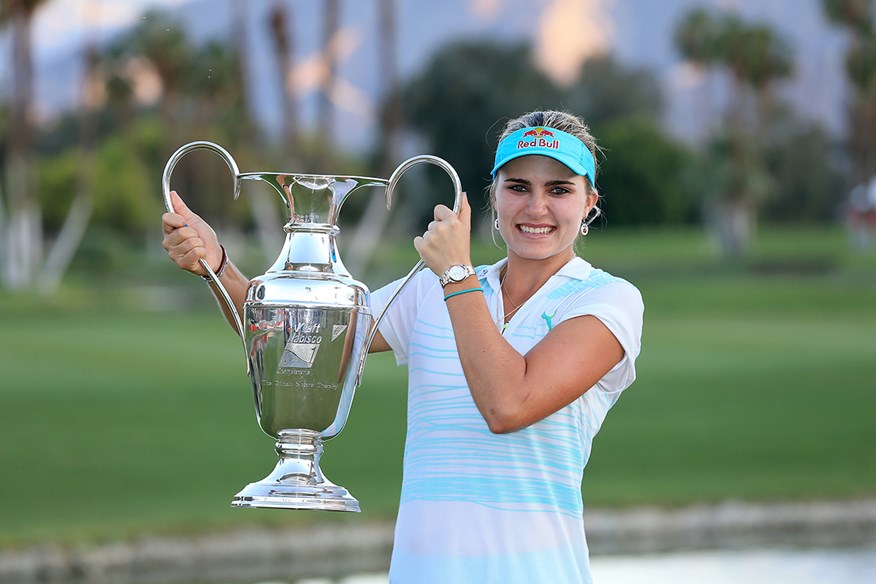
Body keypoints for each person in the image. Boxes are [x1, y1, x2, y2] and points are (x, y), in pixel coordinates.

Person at [162, 109, 643, 583]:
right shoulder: (433, 288)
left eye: (559, 190)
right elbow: (293, 341)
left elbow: (508, 404)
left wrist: (456, 274)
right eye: (518, 187)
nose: (536, 208)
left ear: (589, 202)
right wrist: (218, 265)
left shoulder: (606, 299)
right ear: (493, 195)